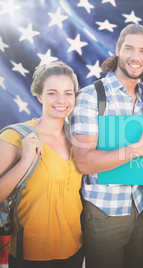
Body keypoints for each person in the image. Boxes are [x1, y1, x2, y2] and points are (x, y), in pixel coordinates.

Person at [70, 24, 143, 268]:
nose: (136, 57)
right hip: (104, 211)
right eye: (129, 48)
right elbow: (84, 162)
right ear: (118, 50)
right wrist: (136, 149)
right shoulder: (92, 96)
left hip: (140, 207)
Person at [0, 61, 83, 268]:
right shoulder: (15, 136)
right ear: (39, 96)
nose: (61, 100)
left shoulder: (78, 137)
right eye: (52, 93)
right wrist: (25, 162)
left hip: (74, 249)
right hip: (30, 254)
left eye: (68, 93)